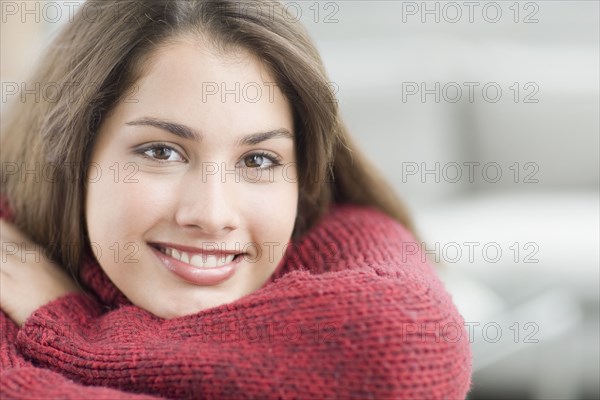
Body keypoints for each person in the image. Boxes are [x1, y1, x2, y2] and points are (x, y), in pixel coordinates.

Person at [0, 1, 472, 398]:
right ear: (69, 154)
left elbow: (405, 354)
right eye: (161, 152)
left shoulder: (329, 233)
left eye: (259, 161)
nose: (212, 214)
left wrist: (75, 332)